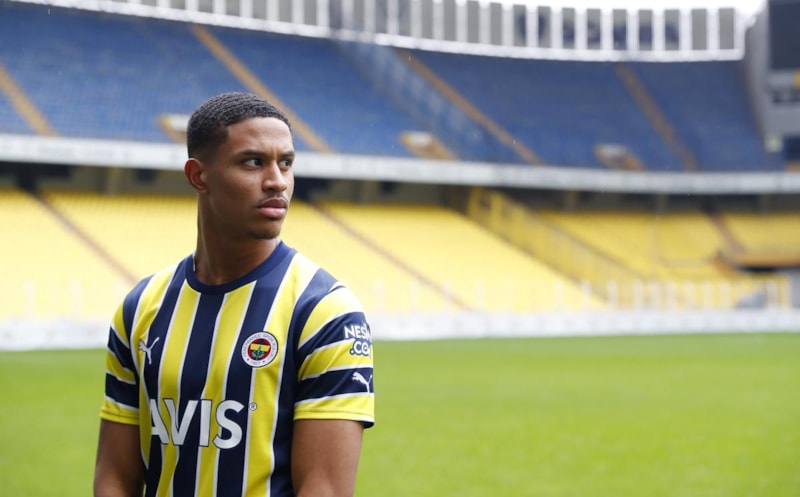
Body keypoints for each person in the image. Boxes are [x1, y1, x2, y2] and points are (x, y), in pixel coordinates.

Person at [93, 92, 375, 497]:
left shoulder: (325, 311)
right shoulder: (140, 308)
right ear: (198, 176)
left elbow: (325, 488)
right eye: (253, 162)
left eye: (286, 163)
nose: (277, 181)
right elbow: (115, 477)